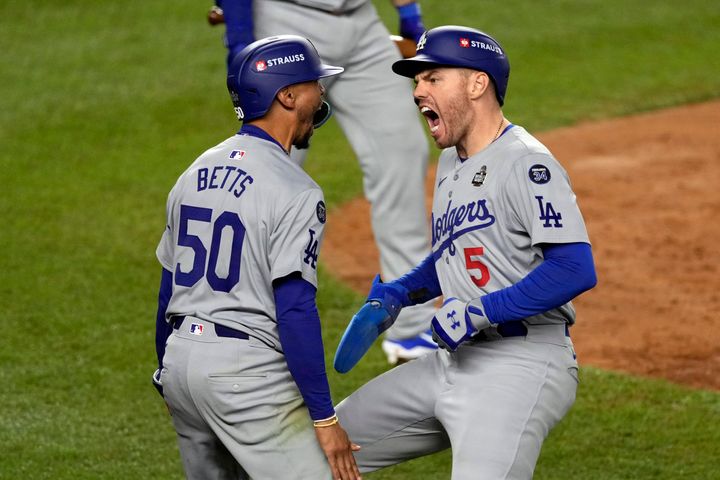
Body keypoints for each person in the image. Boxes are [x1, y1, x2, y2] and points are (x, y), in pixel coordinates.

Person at [333, 26, 597, 478]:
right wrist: (401, 292)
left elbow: (575, 269)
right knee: (312, 454)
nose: (417, 91)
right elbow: (456, 250)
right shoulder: (454, 162)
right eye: (417, 81)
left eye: (432, 78)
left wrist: (479, 312)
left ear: (477, 83)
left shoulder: (526, 163)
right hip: (451, 360)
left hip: (522, 363)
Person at [152, 35, 361, 480]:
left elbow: (167, 289)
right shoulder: (296, 190)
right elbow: (295, 309)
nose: (321, 94)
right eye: (312, 85)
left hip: (181, 365)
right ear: (286, 95)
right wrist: (325, 420)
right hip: (244, 376)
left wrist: (166, 370)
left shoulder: (192, 172)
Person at [212, 0, 438, 364]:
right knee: (267, 168)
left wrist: (410, 14)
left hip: (362, 25)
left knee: (402, 150)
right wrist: (239, 41)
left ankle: (410, 326)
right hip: (286, 23)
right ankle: (235, 322)